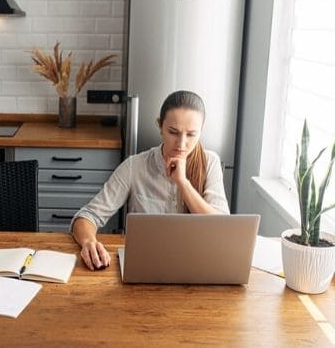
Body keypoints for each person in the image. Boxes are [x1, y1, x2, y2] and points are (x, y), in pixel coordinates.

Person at [70, 90, 230, 270]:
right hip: (145, 266)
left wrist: (183, 183)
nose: (181, 144)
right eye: (173, 132)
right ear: (160, 126)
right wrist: (89, 242)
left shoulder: (210, 163)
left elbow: (221, 229)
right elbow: (86, 216)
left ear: (201, 131)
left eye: (191, 134)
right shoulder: (134, 166)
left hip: (198, 266)